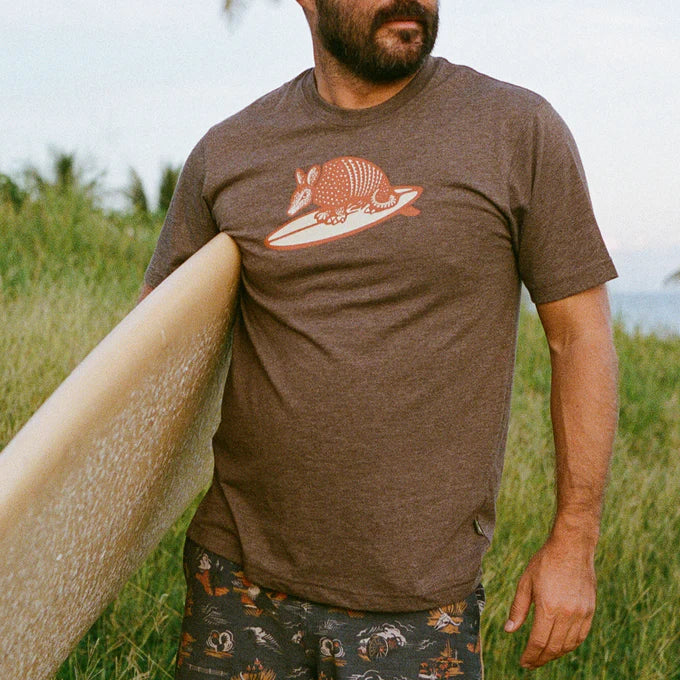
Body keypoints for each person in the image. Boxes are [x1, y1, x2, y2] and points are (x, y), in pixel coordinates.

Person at [140, 1, 619, 677]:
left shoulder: (514, 130)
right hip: (237, 581)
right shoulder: (230, 151)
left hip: (416, 605)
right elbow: (151, 353)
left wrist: (574, 541)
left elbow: (580, 341)